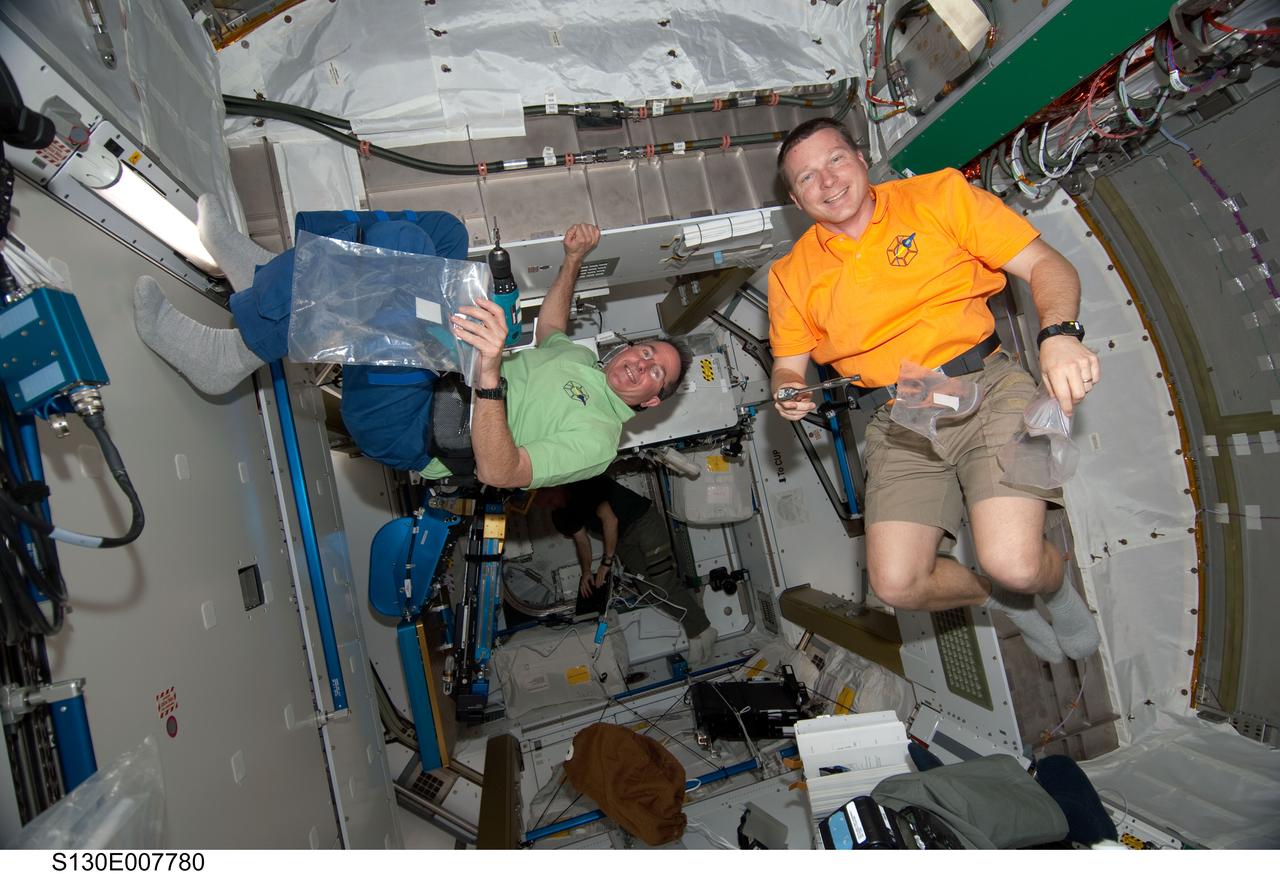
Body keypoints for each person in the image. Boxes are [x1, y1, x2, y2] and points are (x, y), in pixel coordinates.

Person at [768, 117, 1101, 663]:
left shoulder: (938, 196)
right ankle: (998, 599)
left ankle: (1054, 591)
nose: (826, 181)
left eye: (835, 160)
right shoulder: (789, 274)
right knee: (897, 584)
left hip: (987, 386)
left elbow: (1046, 264)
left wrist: (1060, 334)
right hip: (899, 418)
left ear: (860, 158)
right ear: (795, 199)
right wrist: (787, 391)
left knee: (1015, 562)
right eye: (806, 177)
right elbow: (787, 368)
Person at [133, 198, 690, 489]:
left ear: (650, 402)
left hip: (417, 427)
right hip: (447, 367)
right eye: (647, 352)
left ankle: (233, 353)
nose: (642, 364)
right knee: (442, 232)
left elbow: (502, 473)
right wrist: (572, 260)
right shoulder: (581, 361)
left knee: (399, 262)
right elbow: (552, 329)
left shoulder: (598, 442)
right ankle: (271, 278)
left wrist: (489, 375)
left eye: (656, 373)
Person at [545, 475, 718, 665]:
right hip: (622, 541)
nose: (547, 504)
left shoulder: (582, 485)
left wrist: (606, 563)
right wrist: (586, 571)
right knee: (650, 592)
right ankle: (697, 632)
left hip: (643, 522)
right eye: (542, 503)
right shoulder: (559, 514)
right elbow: (581, 540)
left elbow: (610, 520)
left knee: (664, 583)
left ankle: (701, 630)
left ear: (554, 486)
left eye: (547, 498)